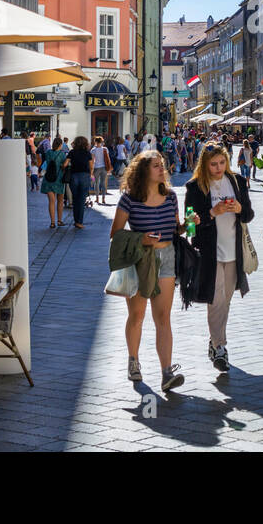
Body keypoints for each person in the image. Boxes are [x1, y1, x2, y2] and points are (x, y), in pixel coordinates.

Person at [111, 151, 183, 392]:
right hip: (140, 260)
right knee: (137, 316)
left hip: (167, 258)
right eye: (156, 166)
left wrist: (187, 225)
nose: (162, 169)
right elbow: (116, 234)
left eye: (162, 165)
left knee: (163, 317)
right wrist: (141, 239)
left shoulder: (171, 197)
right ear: (144, 171)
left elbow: (174, 230)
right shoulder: (129, 199)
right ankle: (133, 360)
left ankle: (166, 372)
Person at [184, 142, 254, 374]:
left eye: (222, 163)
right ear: (204, 165)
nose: (218, 168)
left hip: (234, 251)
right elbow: (190, 228)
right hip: (209, 253)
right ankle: (219, 346)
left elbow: (249, 214)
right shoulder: (195, 187)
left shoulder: (237, 182)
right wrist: (212, 214)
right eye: (213, 164)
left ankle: (215, 342)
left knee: (225, 300)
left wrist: (238, 209)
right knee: (216, 300)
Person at [40, 137, 68, 228]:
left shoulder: (48, 153)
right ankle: (59, 220)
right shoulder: (62, 154)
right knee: (60, 201)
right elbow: (64, 165)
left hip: (48, 179)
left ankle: (52, 222)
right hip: (59, 179)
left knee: (51, 202)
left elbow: (45, 162)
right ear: (60, 145)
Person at [66, 136, 93, 229]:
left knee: (75, 199)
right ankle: (79, 222)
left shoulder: (72, 152)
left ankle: (76, 220)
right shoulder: (87, 153)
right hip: (85, 176)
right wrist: (91, 174)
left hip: (74, 176)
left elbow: (65, 164)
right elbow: (91, 166)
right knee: (81, 200)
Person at [90, 136, 113, 205]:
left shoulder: (93, 150)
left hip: (96, 168)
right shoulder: (105, 149)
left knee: (96, 183)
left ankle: (97, 198)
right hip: (104, 168)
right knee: (103, 183)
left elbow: (92, 161)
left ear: (95, 142)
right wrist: (109, 168)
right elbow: (108, 159)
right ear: (102, 141)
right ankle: (103, 198)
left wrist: (91, 170)